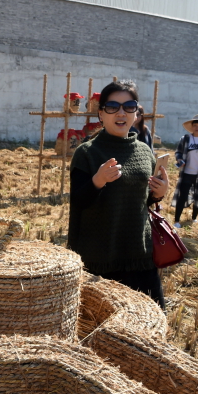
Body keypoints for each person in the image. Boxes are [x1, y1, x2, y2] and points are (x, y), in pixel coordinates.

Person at [68, 80, 169, 309]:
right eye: (113, 106)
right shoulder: (87, 152)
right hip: (100, 262)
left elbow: (143, 199)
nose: (121, 113)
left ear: (136, 113)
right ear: (101, 114)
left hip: (140, 255)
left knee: (151, 321)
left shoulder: (144, 151)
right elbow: (79, 202)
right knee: (101, 332)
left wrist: (159, 193)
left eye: (129, 106)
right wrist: (98, 180)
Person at [171, 114, 198, 227]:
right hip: (187, 173)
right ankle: (176, 221)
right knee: (182, 196)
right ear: (192, 127)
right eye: (195, 125)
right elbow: (178, 152)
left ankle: (194, 218)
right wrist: (179, 159)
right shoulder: (185, 139)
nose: (197, 127)